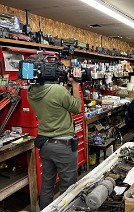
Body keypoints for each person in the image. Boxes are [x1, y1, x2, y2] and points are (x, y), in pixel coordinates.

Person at [27, 67, 82, 210]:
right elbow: (76, 107)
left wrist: (68, 85)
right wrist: (76, 85)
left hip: (46, 144)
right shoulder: (58, 90)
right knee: (68, 187)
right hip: (63, 145)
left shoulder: (31, 92)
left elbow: (54, 98)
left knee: (47, 185)